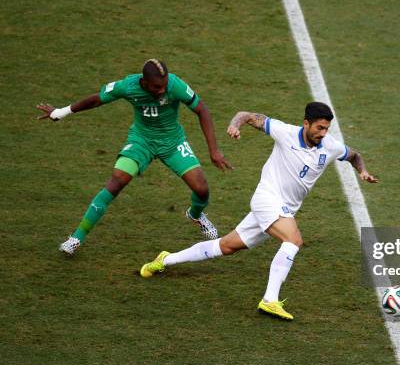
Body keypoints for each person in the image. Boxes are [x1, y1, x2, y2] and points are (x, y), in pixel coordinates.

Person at [140, 102, 378, 320]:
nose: (323, 133)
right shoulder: (284, 132)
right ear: (306, 123)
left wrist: (362, 171)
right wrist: (234, 126)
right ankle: (270, 300)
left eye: (326, 129)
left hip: (284, 208)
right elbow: (245, 115)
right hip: (268, 199)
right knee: (293, 240)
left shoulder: (330, 146)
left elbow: (354, 155)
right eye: (319, 128)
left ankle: (165, 259)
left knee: (225, 246)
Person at [36, 59, 232, 254]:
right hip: (142, 141)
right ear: (144, 82)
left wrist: (214, 150)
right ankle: (76, 238)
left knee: (202, 189)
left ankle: (195, 214)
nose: (162, 90)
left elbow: (202, 110)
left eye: (164, 86)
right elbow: (96, 99)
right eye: (157, 87)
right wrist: (61, 112)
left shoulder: (175, 85)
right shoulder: (128, 86)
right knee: (116, 181)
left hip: (173, 143)